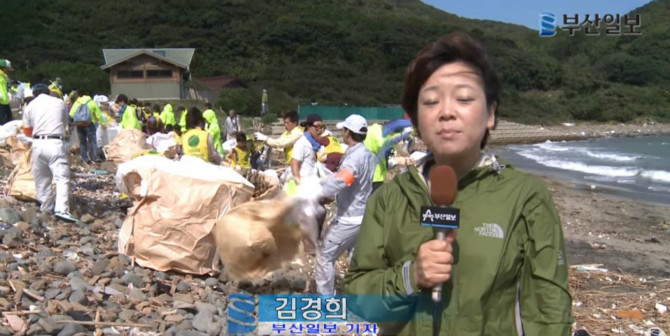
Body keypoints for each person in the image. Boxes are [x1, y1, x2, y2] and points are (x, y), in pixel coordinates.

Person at [344, 32, 573, 335]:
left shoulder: (526, 197)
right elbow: (358, 301)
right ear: (416, 119)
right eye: (430, 101)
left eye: (464, 98)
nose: (446, 112)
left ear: (490, 113)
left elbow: (549, 310)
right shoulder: (389, 198)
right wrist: (410, 277)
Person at [314, 114, 376, 294]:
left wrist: (318, 187)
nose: (342, 132)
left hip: (349, 218)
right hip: (362, 214)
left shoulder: (354, 158)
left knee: (324, 257)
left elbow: (344, 179)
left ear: (348, 132)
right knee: (356, 259)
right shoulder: (366, 154)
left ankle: (326, 302)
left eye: (343, 129)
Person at [22, 84, 78, 222]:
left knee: (42, 179)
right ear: (48, 92)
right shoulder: (59, 102)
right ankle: (61, 209)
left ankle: (45, 208)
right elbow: (65, 123)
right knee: (61, 178)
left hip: (37, 144)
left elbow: (27, 131)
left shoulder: (30, 106)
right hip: (55, 142)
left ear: (34, 94)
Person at [69, 89, 103, 163]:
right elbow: (98, 114)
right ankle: (94, 157)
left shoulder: (77, 103)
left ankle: (85, 158)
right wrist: (103, 122)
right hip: (90, 124)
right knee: (92, 141)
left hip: (79, 124)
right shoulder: (92, 102)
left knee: (82, 142)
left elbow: (71, 114)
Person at [290, 114, 324, 183]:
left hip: (313, 182)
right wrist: (298, 182)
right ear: (309, 126)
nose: (319, 130)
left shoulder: (316, 144)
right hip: (304, 184)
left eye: (321, 127)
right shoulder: (302, 143)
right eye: (317, 127)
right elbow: (294, 163)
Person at [0, 59, 13, 125]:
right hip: (0, 100)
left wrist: (8, 93)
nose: (7, 70)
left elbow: (5, 86)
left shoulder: (4, 76)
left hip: (4, 100)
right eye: (6, 68)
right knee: (1, 120)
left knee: (9, 117)